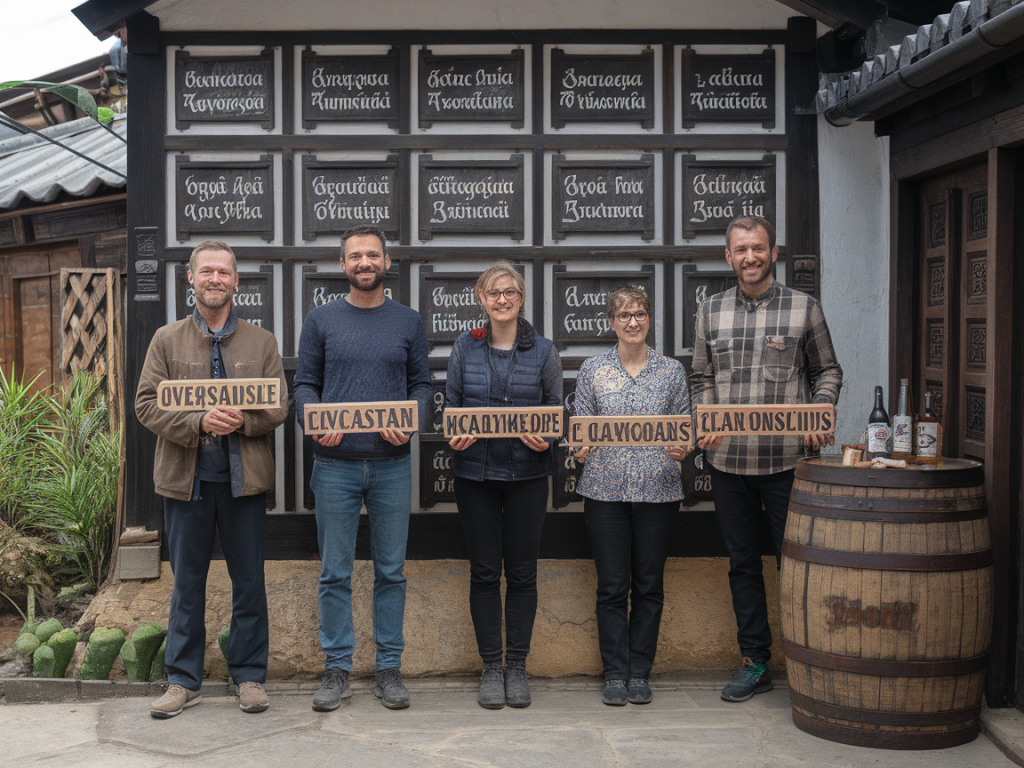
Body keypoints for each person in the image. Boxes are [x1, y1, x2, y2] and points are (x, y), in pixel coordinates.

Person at [690, 216, 842, 702]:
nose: (750, 257)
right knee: (742, 566)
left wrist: (821, 413)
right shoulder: (709, 312)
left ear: (773, 252)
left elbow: (828, 371)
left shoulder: (804, 308)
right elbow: (700, 379)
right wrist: (706, 416)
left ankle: (810, 661)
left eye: (758, 248)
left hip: (787, 466)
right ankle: (755, 663)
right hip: (728, 463)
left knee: (796, 566)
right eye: (741, 250)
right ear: (728, 257)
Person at [135, 240, 288, 718]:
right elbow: (145, 404)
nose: (215, 279)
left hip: (244, 482)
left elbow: (279, 405)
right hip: (187, 481)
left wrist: (244, 421)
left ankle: (249, 678)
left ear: (236, 282)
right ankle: (183, 681)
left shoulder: (262, 342)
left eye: (224, 272)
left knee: (249, 583)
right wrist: (196, 422)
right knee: (187, 585)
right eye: (207, 272)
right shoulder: (165, 339)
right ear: (192, 279)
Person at [295, 224, 432, 712]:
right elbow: (305, 384)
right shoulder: (321, 319)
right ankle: (338, 669)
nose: (364, 263)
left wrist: (412, 421)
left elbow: (422, 385)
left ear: (387, 262)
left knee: (391, 572)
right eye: (355, 256)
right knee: (334, 572)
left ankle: (389, 670)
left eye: (372, 255)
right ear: (342, 265)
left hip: (392, 465)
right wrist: (314, 423)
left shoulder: (408, 321)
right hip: (333, 465)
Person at [445, 264, 562, 709]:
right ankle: (491, 666)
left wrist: (546, 435)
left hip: (528, 477)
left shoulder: (545, 350)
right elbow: (451, 407)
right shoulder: (464, 346)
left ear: (522, 297)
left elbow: (555, 410)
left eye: (510, 291)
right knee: (484, 573)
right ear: (481, 299)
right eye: (494, 292)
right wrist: (454, 432)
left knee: (523, 573)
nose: (502, 299)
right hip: (474, 475)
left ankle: (518, 665)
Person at [573, 286, 691, 706]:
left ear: (648, 319)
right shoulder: (592, 370)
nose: (633, 322)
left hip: (659, 490)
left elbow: (684, 429)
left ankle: (640, 671)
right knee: (611, 586)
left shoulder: (672, 371)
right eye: (624, 315)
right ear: (611, 322)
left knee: (648, 585)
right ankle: (614, 672)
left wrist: (684, 447)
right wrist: (580, 445)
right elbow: (581, 424)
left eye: (639, 314)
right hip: (604, 491)